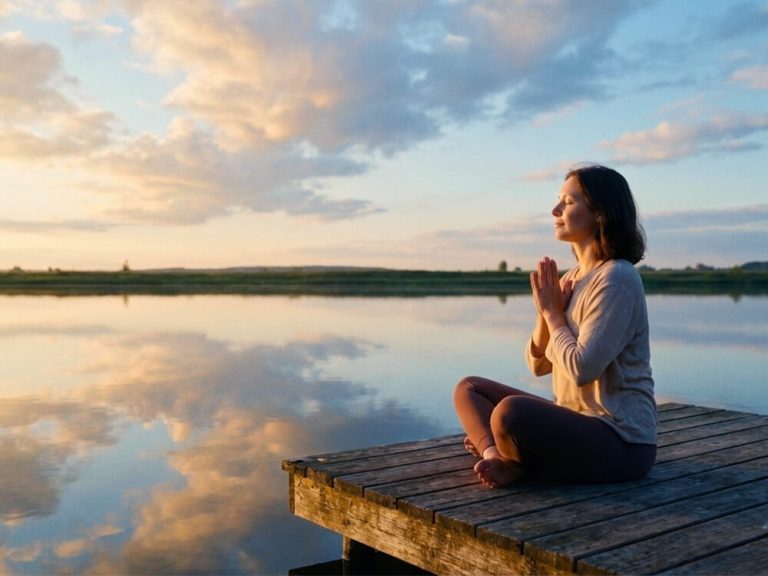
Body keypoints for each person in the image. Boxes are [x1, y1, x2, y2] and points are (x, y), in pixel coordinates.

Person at [454, 164, 656, 487]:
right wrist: (545, 313)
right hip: (576, 424)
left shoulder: (617, 278)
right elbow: (538, 364)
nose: (555, 209)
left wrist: (552, 314)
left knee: (510, 413)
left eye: (568, 201)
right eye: (558, 200)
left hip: (622, 442)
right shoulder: (572, 278)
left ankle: (514, 460)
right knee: (470, 389)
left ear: (601, 214)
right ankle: (496, 457)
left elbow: (581, 368)